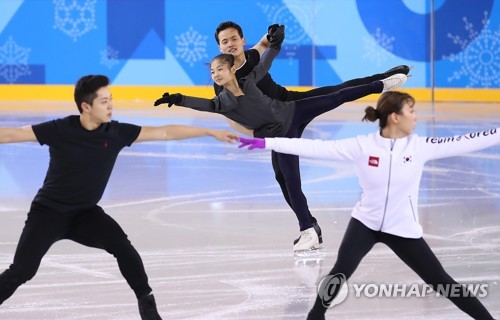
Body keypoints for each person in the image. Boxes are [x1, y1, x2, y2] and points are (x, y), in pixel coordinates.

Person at [237, 91, 498, 319]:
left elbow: (471, 140)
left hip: (402, 228)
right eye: (411, 111)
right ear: (395, 117)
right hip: (365, 223)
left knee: (442, 282)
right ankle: (315, 317)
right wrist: (265, 142)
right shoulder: (362, 146)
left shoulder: (421, 147)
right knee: (339, 273)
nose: (416, 116)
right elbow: (312, 147)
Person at [0, 75, 238, 320]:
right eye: (104, 102)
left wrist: (209, 131)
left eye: (111, 100)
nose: (111, 106)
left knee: (123, 247)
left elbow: (164, 132)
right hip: (48, 212)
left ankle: (147, 304)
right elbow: (10, 135)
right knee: (22, 271)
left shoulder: (115, 133)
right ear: (86, 106)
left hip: (85, 213)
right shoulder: (60, 129)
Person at [154, 26, 409, 255]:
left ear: (241, 41)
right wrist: (179, 98)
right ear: (219, 48)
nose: (230, 45)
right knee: (284, 177)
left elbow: (265, 50)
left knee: (336, 93)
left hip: (292, 106)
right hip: (277, 129)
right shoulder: (221, 93)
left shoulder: (250, 64)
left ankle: (384, 81)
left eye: (234, 39)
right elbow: (217, 109)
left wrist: (274, 37)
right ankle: (308, 225)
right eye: (224, 42)